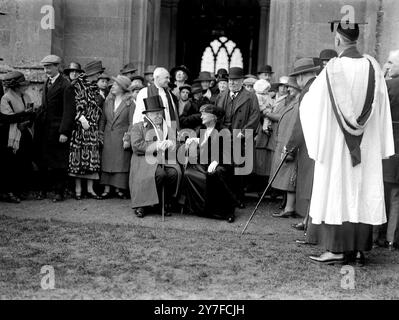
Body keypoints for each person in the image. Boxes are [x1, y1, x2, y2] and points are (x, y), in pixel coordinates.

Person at [302, 21, 394, 265]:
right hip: (366, 145)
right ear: (356, 39)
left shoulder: (332, 70)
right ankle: (359, 249)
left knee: (337, 191)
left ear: (337, 40)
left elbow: (312, 106)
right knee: (361, 192)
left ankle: (337, 249)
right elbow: (383, 109)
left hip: (337, 145)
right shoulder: (373, 68)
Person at [129, 95, 182, 218]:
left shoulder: (167, 128)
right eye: (155, 114)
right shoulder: (138, 126)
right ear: (147, 115)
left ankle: (162, 203)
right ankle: (143, 205)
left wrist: (172, 144)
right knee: (159, 174)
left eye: (160, 113)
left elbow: (176, 144)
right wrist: (156, 145)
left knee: (174, 173)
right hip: (143, 160)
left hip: (164, 159)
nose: (158, 116)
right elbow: (136, 146)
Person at [182, 104, 236, 222]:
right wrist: (194, 140)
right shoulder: (201, 129)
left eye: (204, 115)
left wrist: (217, 161)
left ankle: (226, 211)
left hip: (222, 163)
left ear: (213, 117)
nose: (201, 117)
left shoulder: (223, 130)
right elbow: (205, 142)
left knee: (214, 174)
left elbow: (228, 152)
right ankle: (198, 208)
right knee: (188, 172)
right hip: (204, 162)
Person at [215, 67, 260, 208]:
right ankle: (226, 197)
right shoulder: (222, 95)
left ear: (242, 81)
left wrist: (244, 131)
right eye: (230, 80)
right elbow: (215, 114)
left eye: (235, 80)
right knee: (225, 166)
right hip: (224, 135)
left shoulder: (250, 96)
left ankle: (239, 199)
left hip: (239, 136)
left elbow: (255, 116)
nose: (232, 83)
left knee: (239, 169)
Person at [60, 60, 105, 200]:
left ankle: (90, 189)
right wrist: (81, 117)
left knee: (91, 158)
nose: (99, 76)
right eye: (98, 73)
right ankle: (78, 189)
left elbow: (97, 105)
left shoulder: (94, 87)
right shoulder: (76, 85)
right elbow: (72, 106)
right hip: (80, 127)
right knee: (78, 158)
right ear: (92, 73)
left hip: (92, 128)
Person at [283, 58, 319, 231]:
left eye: (297, 77)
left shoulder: (308, 91)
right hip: (319, 142)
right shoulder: (320, 86)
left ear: (303, 76)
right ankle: (308, 220)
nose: (297, 81)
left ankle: (310, 223)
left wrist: (290, 146)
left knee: (309, 184)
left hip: (309, 145)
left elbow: (301, 123)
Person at [33, 54, 70, 202]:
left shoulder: (65, 84)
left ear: (57, 67)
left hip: (57, 131)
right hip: (44, 129)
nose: (46, 70)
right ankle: (43, 190)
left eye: (49, 67)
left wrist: (64, 131)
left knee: (58, 163)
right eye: (44, 67)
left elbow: (69, 111)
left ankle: (59, 192)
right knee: (43, 161)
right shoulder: (47, 82)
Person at [374, 52, 399, 250]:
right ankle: (393, 238)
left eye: (390, 62)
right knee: (397, 194)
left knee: (381, 190)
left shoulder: (388, 87)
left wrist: (381, 77)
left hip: (389, 147)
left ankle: (377, 235)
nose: (387, 65)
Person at [0, 71, 35, 202]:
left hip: (25, 133)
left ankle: (20, 190)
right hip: (11, 136)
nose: (25, 87)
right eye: (22, 85)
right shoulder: (6, 98)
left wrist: (28, 120)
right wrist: (23, 114)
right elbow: (6, 118)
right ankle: (8, 192)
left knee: (23, 162)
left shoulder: (25, 96)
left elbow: (31, 115)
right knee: (10, 164)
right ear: (15, 86)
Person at [271, 77, 302, 218]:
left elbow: (295, 127)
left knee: (291, 178)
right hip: (285, 142)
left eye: (290, 87)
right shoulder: (293, 101)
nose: (288, 89)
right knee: (288, 177)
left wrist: (290, 147)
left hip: (291, 144)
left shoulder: (298, 103)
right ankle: (288, 207)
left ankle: (290, 207)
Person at [99, 75, 134, 199]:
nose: (112, 86)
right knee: (107, 161)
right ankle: (107, 188)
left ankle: (119, 189)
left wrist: (128, 138)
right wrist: (100, 134)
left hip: (121, 137)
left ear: (123, 87)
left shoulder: (130, 103)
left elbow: (132, 123)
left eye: (115, 85)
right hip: (108, 136)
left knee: (120, 163)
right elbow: (102, 120)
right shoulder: (108, 101)